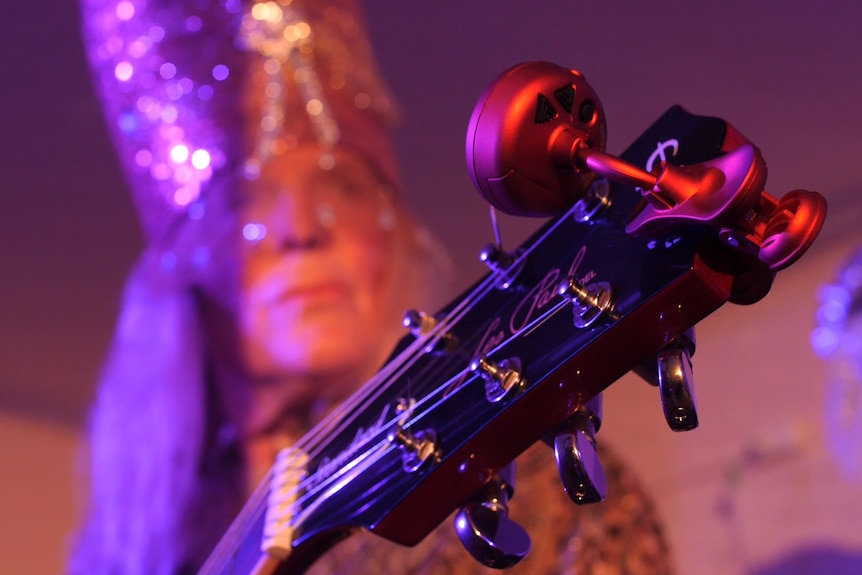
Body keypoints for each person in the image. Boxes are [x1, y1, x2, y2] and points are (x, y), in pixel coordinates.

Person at [70, 0, 674, 573]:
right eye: (244, 208)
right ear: (181, 286)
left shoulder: (553, 497)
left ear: (393, 244)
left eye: (343, 192)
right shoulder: (126, 554)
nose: (301, 231)